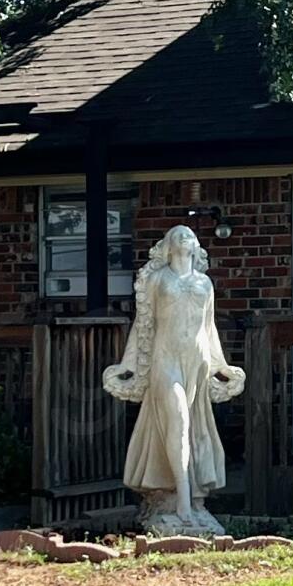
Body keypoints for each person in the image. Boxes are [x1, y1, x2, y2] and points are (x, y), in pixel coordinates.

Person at [100, 225, 246, 533]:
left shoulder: (205, 283)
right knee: (178, 420)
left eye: (189, 234)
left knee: (193, 428)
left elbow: (209, 328)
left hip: (197, 362)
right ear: (167, 246)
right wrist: (128, 364)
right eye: (176, 234)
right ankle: (182, 498)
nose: (183, 236)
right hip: (164, 360)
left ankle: (190, 499)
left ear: (195, 246)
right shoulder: (157, 279)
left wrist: (221, 366)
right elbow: (143, 324)